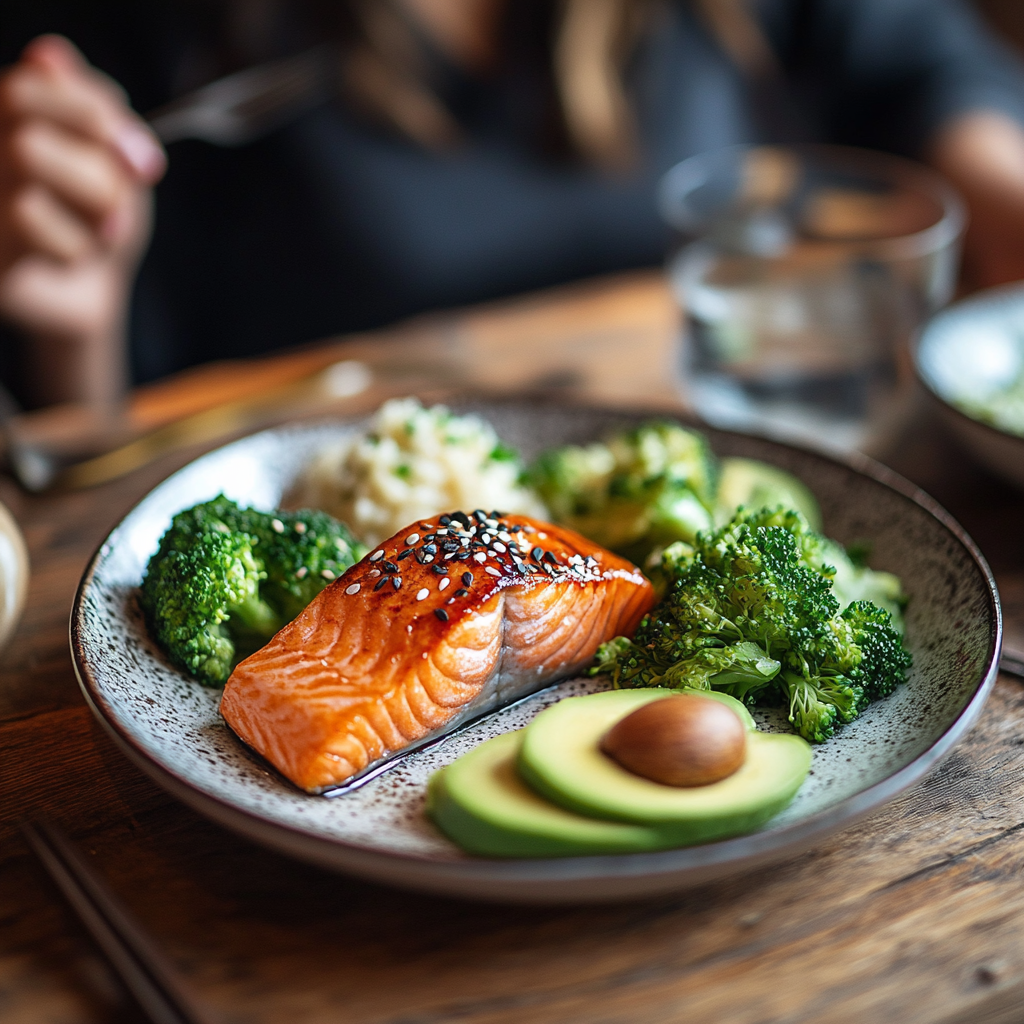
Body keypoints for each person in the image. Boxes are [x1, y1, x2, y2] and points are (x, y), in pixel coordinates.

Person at [2, 0, 1024, 409]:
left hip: (727, 417)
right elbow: (89, 422)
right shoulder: (145, 27)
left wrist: (994, 181)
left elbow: (923, 58)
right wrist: (66, 313)